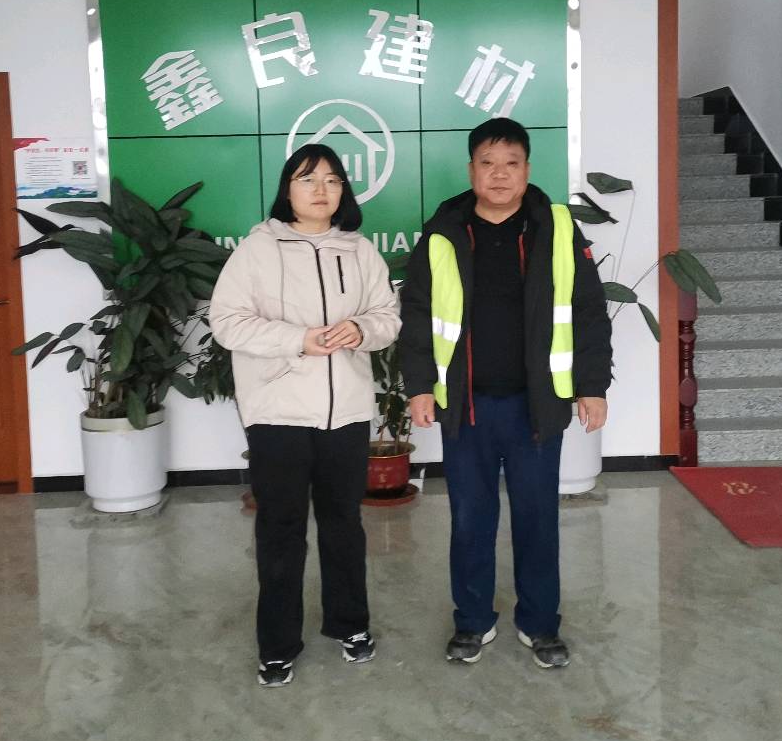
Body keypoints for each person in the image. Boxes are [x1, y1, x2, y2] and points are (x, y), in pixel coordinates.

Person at [399, 118, 611, 669]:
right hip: (465, 405)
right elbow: (417, 314)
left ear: (527, 170)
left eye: (511, 163)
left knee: (537, 518)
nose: (499, 174)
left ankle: (540, 624)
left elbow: (588, 311)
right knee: (470, 518)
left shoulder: (557, 228)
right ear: (471, 170)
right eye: (488, 163)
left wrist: (592, 387)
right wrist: (419, 386)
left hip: (535, 405)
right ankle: (472, 621)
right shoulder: (443, 233)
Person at [209, 144, 401, 688]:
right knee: (281, 529)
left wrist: (361, 329)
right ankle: (277, 645)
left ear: (344, 191)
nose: (321, 190)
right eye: (307, 179)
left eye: (332, 180)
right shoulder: (257, 250)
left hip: (347, 414)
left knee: (345, 525)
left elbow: (388, 316)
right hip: (279, 414)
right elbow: (227, 322)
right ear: (287, 189)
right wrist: (298, 339)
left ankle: (349, 624)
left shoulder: (359, 251)